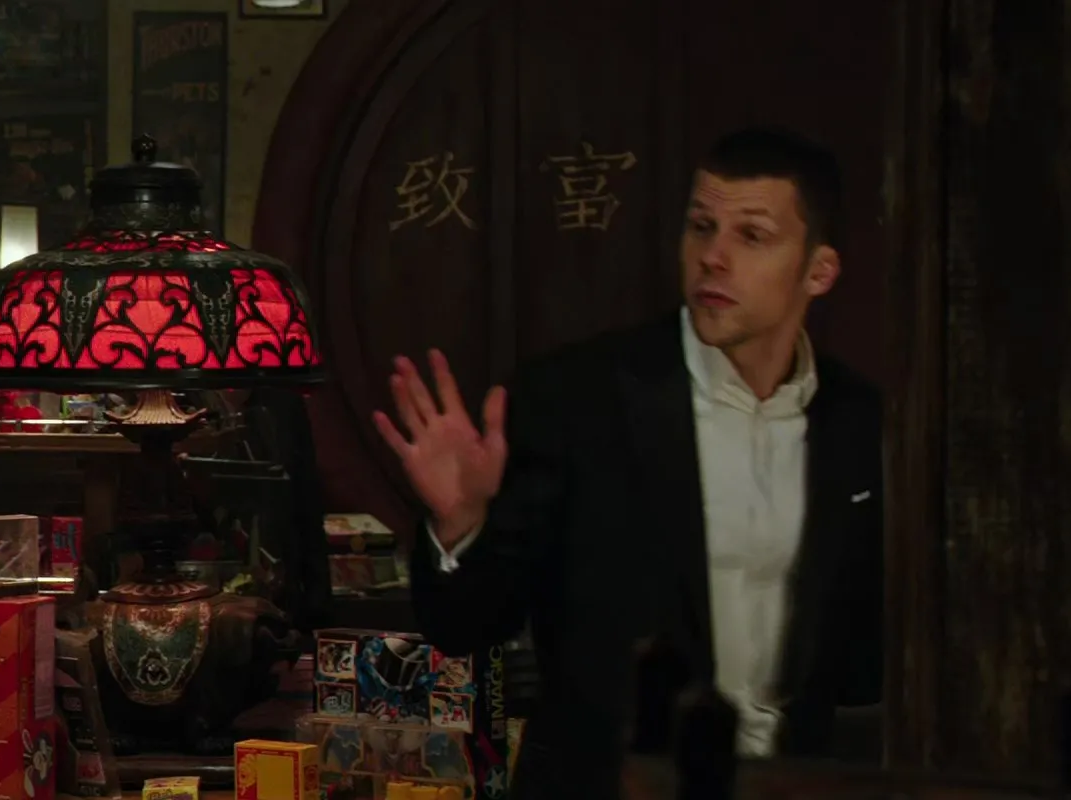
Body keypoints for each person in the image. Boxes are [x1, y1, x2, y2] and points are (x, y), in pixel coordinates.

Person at [377, 127, 883, 797]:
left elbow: (867, 660)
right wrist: (462, 525)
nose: (713, 258)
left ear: (818, 271)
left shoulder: (860, 421)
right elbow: (468, 626)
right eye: (701, 227)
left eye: (752, 236)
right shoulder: (581, 398)